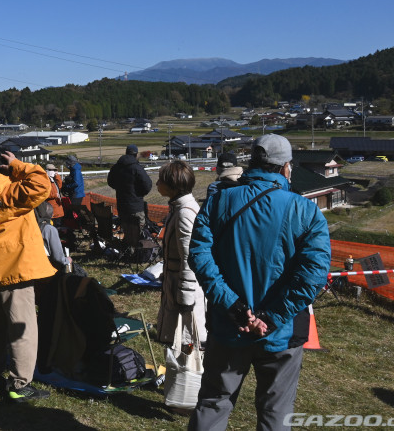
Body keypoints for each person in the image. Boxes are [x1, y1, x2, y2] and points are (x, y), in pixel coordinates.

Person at [188, 134, 331, 430]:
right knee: (276, 411)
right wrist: (271, 316)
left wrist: (233, 304)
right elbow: (313, 274)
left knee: (214, 402)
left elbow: (199, 256)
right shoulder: (305, 211)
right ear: (285, 167)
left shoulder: (218, 201)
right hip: (282, 332)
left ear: (252, 162)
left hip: (229, 326)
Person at [0, 146, 56, 402]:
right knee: (22, 330)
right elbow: (42, 185)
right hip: (15, 270)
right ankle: (19, 384)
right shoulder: (9, 189)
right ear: (6, 164)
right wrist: (19, 165)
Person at [153, 161, 206, 346]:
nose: (157, 184)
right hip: (175, 286)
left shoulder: (185, 213)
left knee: (185, 343)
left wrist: (185, 298)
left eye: (161, 180)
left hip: (183, 292)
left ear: (173, 185)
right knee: (178, 344)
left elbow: (189, 258)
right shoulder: (178, 208)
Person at [107, 144, 153, 228]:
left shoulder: (116, 167)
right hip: (136, 207)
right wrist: (138, 194)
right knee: (138, 232)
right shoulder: (137, 168)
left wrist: (119, 188)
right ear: (136, 154)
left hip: (121, 205)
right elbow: (147, 185)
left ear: (126, 153)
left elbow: (110, 181)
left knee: (126, 231)